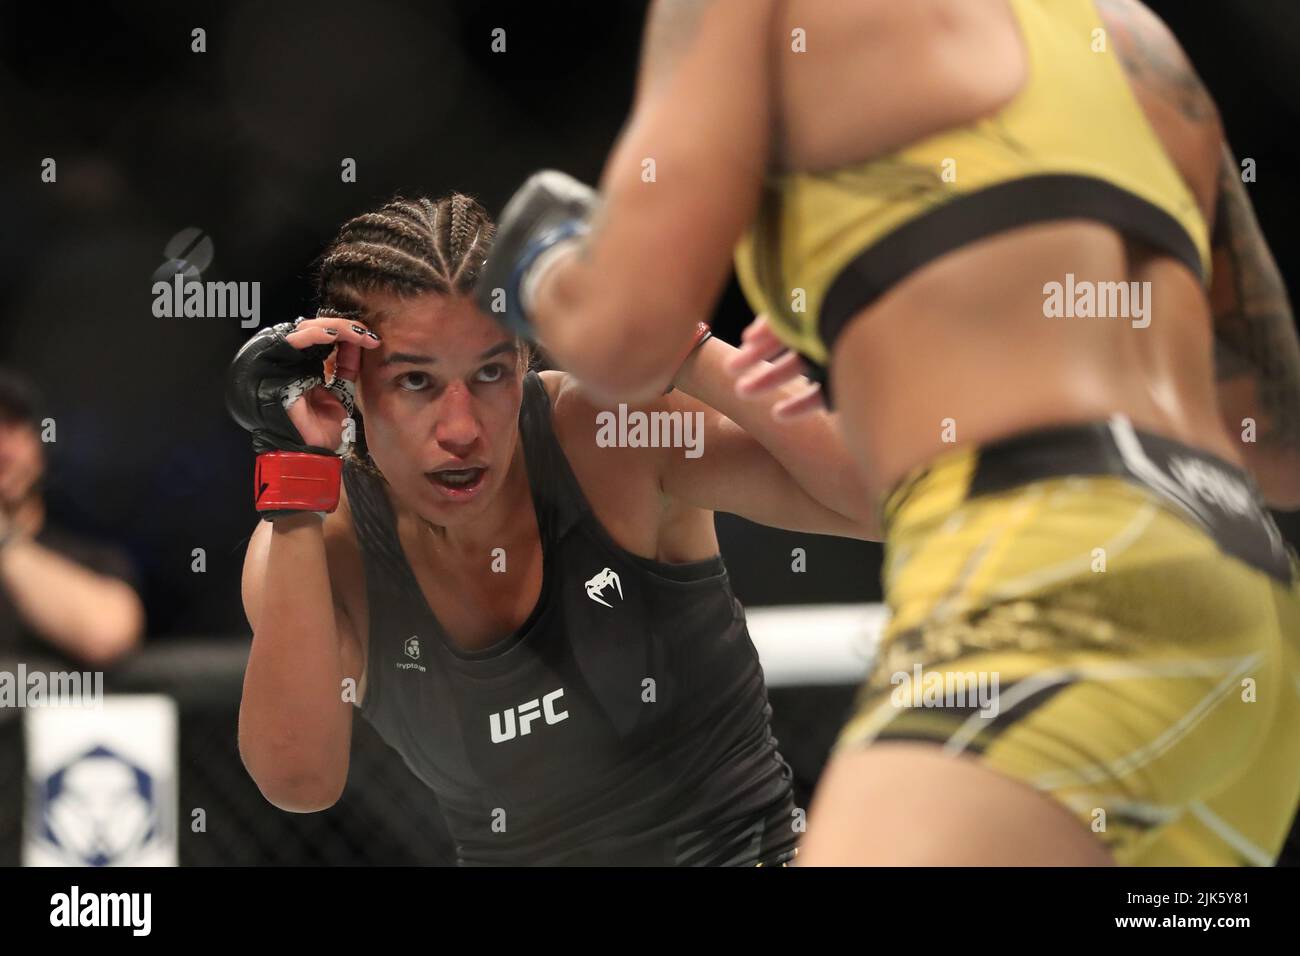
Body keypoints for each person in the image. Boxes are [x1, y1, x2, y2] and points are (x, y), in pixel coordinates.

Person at [476, 0, 1300, 865]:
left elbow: (622, 334)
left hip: (1053, 577)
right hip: (1246, 604)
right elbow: (1275, 438)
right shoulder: (1132, 37)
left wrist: (547, 260)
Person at [229, 193, 876, 865]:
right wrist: (293, 484)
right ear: (346, 378)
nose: (461, 429)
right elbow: (299, 782)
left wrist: (681, 346)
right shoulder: (317, 540)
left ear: (525, 359)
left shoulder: (609, 434)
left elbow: (887, 507)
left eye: (490, 372)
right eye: (416, 381)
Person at [0, 368, 144, 667]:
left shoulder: (93, 559)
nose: (1, 446)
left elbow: (107, 635)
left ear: (39, 447)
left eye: (11, 425)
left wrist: (5, 541)